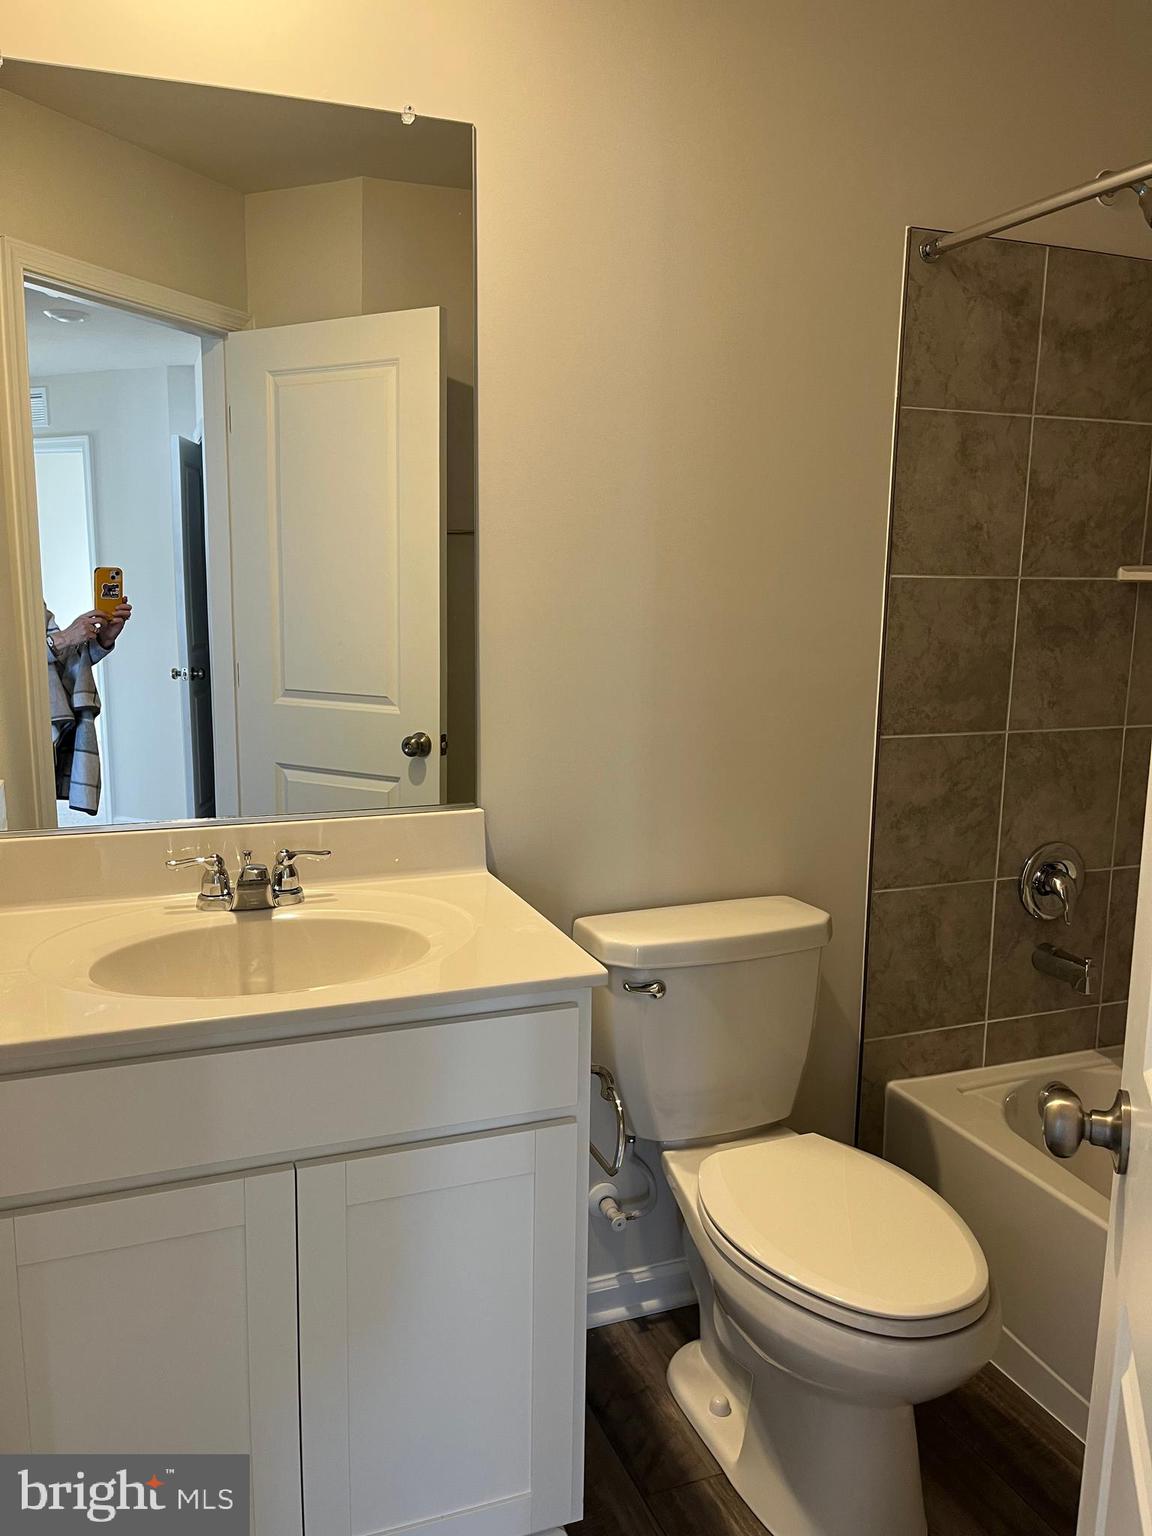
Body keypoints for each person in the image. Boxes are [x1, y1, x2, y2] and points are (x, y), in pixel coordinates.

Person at [45, 601, 133, 814]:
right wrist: (63, 638)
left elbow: (59, 666)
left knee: (39, 805)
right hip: (19, 725)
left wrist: (103, 640)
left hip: (39, 718)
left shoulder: (27, 600)